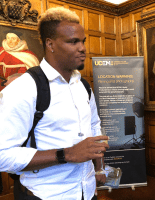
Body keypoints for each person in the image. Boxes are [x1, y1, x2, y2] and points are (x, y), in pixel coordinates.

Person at [0, 7, 109, 200]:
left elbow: (94, 125)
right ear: (50, 44)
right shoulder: (24, 88)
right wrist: (66, 154)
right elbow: (3, 156)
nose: (82, 48)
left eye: (82, 41)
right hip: (46, 195)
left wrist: (99, 169)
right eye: (73, 41)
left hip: (87, 191)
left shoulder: (83, 86)